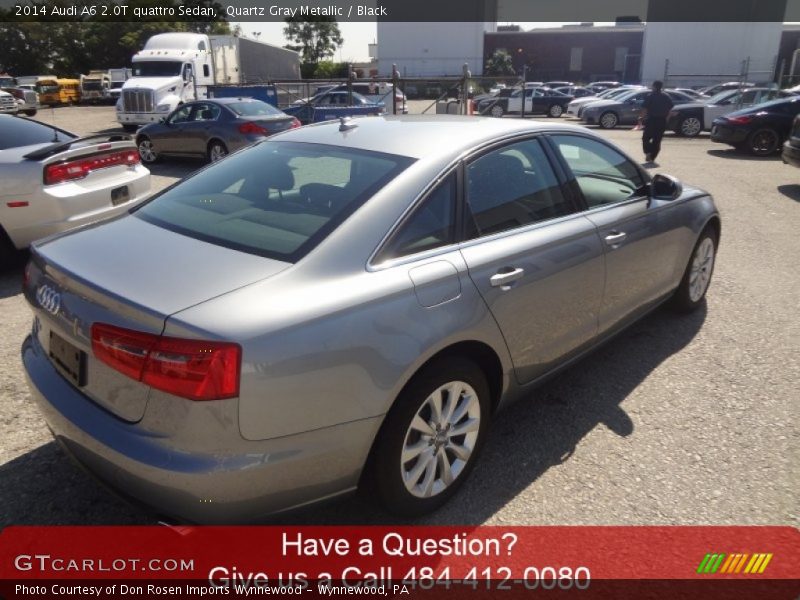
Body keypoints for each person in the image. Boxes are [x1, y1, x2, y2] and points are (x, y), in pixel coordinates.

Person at [640, 80, 673, 163]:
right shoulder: (666, 96)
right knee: (657, 140)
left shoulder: (650, 96)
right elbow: (670, 110)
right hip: (661, 121)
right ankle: (652, 157)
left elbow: (645, 109)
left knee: (646, 138)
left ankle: (648, 152)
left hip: (651, 120)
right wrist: (666, 120)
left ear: (654, 86)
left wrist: (642, 118)